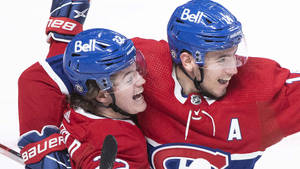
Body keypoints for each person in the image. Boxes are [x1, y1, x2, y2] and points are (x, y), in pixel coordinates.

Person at [18, 0, 300, 168]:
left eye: (234, 53)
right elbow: (41, 80)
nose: (235, 68)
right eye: (222, 58)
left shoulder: (262, 87)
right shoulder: (145, 65)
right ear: (188, 61)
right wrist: (47, 152)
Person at [60, 28, 149, 169]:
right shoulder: (121, 139)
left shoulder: (74, 112)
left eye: (137, 69)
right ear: (102, 95)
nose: (141, 81)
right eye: (129, 79)